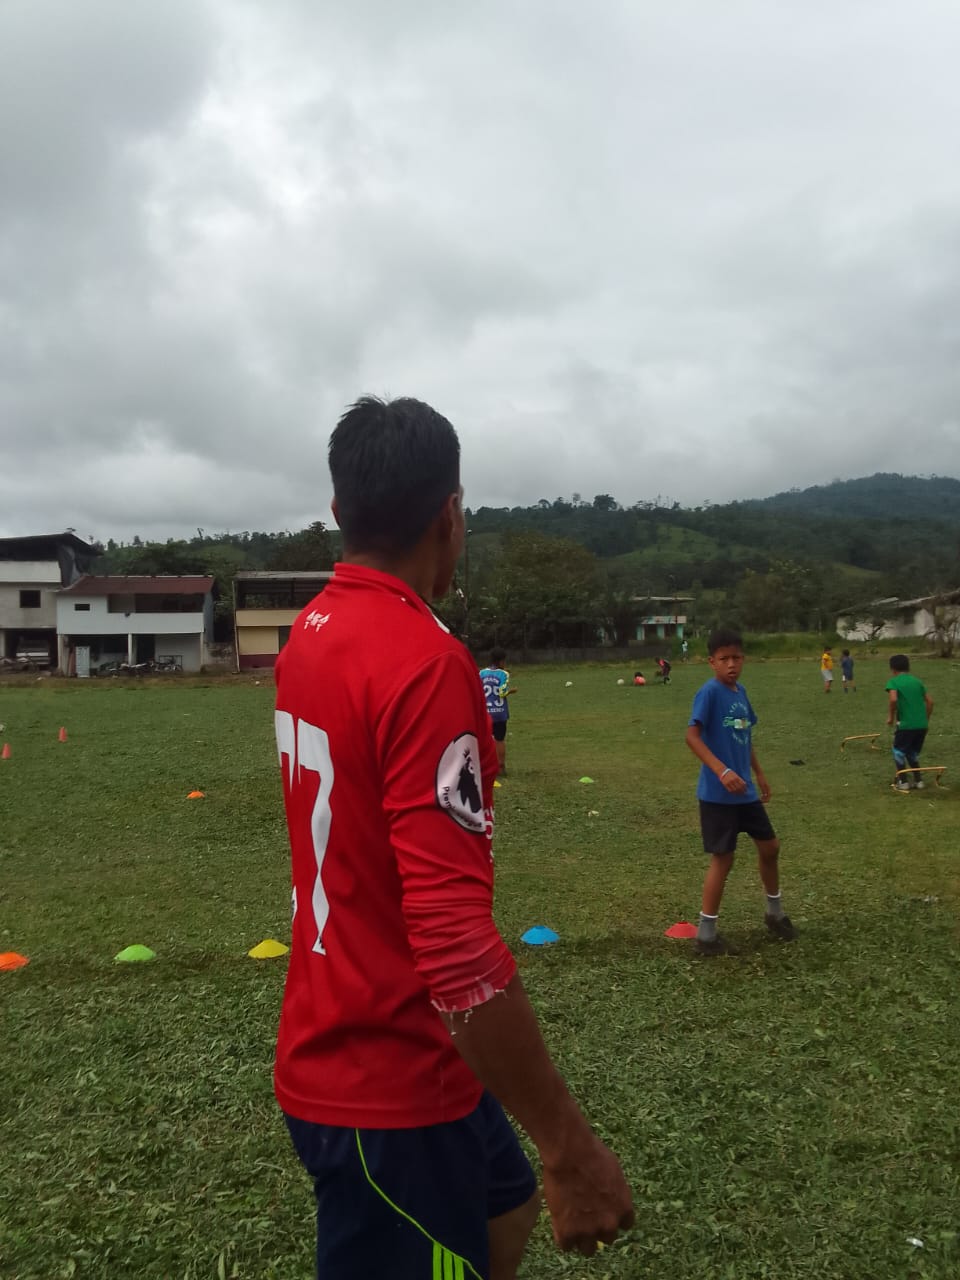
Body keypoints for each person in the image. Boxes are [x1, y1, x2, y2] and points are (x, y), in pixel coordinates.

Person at [273, 396, 633, 1279]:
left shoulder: (310, 632)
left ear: (339, 511)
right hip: (388, 1076)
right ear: (450, 515)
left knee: (504, 1208)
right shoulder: (425, 662)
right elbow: (454, 944)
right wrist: (569, 1145)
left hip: (361, 1032)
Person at [684, 627, 796, 957]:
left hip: (744, 791)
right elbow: (692, 737)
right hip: (718, 795)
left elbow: (744, 737)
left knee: (770, 847)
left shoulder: (740, 693)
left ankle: (774, 913)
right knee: (724, 858)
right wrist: (722, 771)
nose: (731, 664)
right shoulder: (709, 693)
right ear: (712, 662)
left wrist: (758, 772)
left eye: (736, 658)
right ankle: (706, 935)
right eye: (724, 659)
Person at [885, 654, 934, 790]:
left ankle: (903, 782)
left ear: (893, 669)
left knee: (898, 752)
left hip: (906, 725)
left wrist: (890, 717)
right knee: (912, 753)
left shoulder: (894, 682)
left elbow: (893, 699)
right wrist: (925, 719)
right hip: (921, 725)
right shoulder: (917, 682)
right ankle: (919, 781)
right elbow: (930, 702)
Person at [479, 648, 514, 775]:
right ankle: (501, 767)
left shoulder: (481, 673)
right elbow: (502, 692)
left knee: (486, 740)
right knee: (500, 739)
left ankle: (485, 767)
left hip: (486, 712)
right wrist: (510, 692)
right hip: (499, 712)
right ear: (501, 661)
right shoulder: (504, 674)